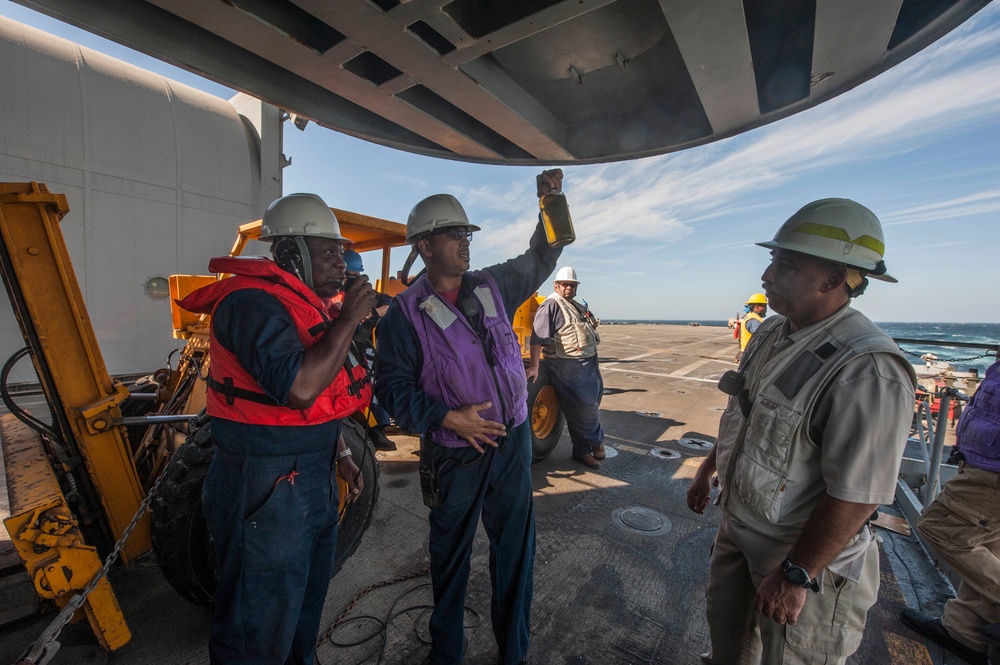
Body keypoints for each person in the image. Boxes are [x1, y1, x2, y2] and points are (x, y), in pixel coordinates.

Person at [685, 198, 917, 665]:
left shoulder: (867, 368)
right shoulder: (773, 333)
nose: (767, 276)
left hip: (802, 555)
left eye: (785, 264)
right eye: (772, 262)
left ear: (834, 279)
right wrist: (707, 469)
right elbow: (743, 415)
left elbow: (858, 493)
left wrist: (796, 574)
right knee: (728, 647)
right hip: (739, 525)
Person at [373, 170, 564, 665]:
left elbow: (543, 255)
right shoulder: (405, 314)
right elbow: (391, 390)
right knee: (451, 560)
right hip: (456, 454)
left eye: (467, 234)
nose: (465, 242)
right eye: (454, 234)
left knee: (516, 552)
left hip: (513, 441)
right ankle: (447, 654)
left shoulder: (492, 285)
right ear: (425, 245)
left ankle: (513, 653)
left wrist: (552, 201)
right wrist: (446, 418)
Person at [178, 193, 377, 665]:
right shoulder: (252, 303)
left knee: (303, 604)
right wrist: (350, 316)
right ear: (290, 254)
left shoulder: (306, 306)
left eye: (340, 253)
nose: (341, 264)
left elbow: (319, 404)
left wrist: (340, 453)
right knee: (258, 623)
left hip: (309, 475)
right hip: (265, 482)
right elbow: (300, 390)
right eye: (328, 252)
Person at [900, 358, 1000, 665]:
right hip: (982, 459)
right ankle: (964, 631)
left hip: (991, 470)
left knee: (940, 528)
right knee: (987, 545)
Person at [526, 266, 605, 469]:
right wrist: (535, 366)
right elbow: (537, 338)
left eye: (572, 285)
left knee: (590, 404)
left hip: (589, 363)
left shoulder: (575, 305)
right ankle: (596, 441)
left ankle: (581, 452)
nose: (569, 288)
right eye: (565, 284)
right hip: (567, 364)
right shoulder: (551, 305)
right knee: (584, 407)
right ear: (557, 285)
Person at [343, 248, 396, 451]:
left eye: (356, 276)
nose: (351, 280)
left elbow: (392, 303)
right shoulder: (327, 295)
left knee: (370, 379)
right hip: (334, 347)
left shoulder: (366, 294)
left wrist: (373, 312)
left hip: (360, 347)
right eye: (349, 276)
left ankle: (377, 427)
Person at [734, 293, 768, 363]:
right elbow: (762, 338)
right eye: (764, 306)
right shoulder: (754, 320)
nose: (766, 308)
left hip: (746, 353)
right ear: (757, 306)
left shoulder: (748, 316)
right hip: (751, 355)